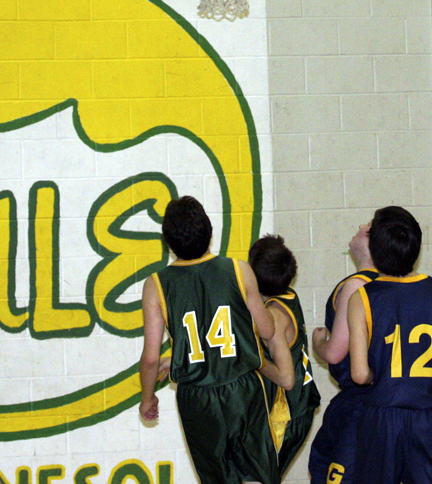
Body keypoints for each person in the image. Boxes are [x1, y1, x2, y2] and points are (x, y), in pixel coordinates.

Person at [138, 196, 293, 484]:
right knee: (258, 475)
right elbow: (268, 331)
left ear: (169, 243)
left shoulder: (156, 284)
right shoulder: (238, 269)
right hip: (243, 389)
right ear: (210, 232)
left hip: (197, 397)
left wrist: (148, 399)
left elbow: (150, 359)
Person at [347, 206, 432, 484]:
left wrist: (386, 375)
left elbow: (359, 374)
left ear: (375, 250)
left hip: (385, 419)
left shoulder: (362, 297)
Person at [308, 222, 378, 484]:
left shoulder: (355, 286)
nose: (359, 226)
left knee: (331, 470)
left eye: (366, 228)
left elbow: (335, 353)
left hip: (359, 400)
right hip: (393, 398)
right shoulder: (398, 285)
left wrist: (318, 343)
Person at [248, 234, 320, 481]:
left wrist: (255, 359)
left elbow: (287, 378)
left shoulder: (275, 317)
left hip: (287, 412)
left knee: (259, 479)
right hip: (297, 406)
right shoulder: (287, 294)